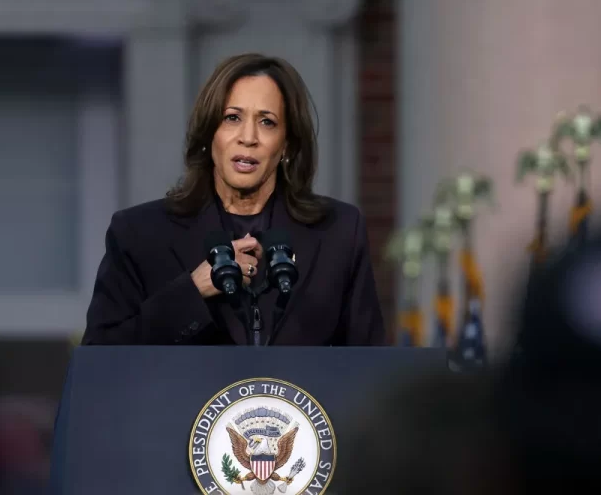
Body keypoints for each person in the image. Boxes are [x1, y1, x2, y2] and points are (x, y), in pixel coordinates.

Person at [82, 53, 385, 346]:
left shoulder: (339, 232)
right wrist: (192, 290)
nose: (248, 137)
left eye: (267, 122)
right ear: (208, 134)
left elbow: (369, 368)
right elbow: (101, 355)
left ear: (287, 144)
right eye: (232, 118)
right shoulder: (139, 234)